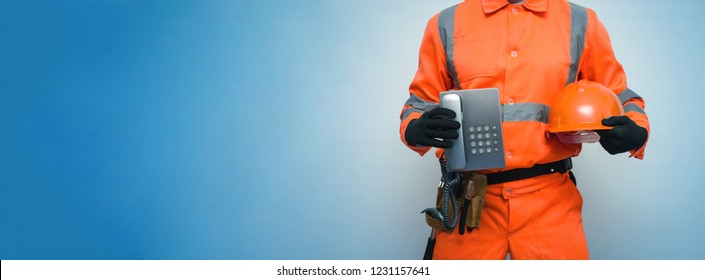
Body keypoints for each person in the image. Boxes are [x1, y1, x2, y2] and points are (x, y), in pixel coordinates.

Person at [399, 0, 650, 259]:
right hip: (470, 201)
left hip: (551, 202)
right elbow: (419, 103)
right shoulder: (445, 23)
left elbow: (618, 93)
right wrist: (415, 128)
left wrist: (637, 130)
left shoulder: (581, 21)